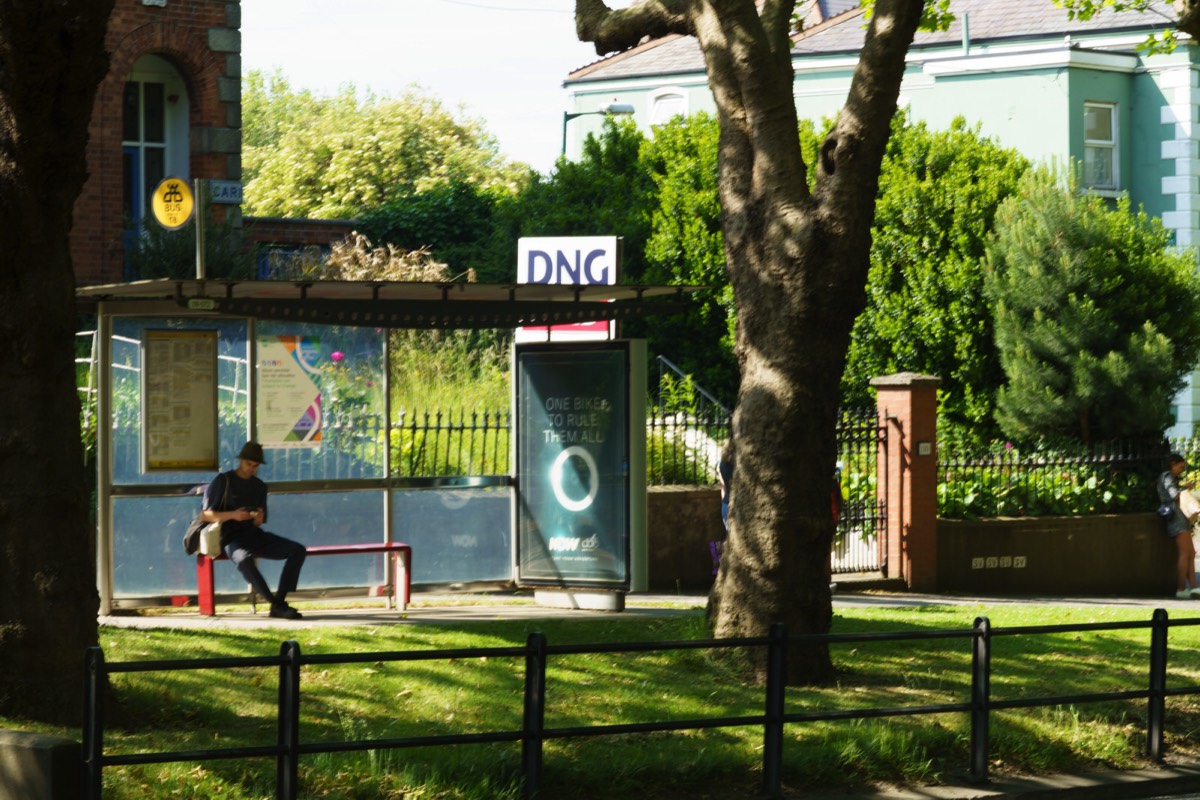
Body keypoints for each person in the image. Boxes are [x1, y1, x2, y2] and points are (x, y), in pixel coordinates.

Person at [201, 441, 307, 619]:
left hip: (253, 534)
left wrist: (257, 518)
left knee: (297, 550)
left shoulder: (259, 486)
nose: (251, 468)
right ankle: (276, 605)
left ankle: (279, 601)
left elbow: (259, 523)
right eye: (248, 464)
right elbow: (206, 515)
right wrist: (233, 514)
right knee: (244, 560)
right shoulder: (224, 481)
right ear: (240, 460)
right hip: (230, 537)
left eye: (255, 465)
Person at [1156, 453, 1200, 600]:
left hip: (1179, 518)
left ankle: (1193, 587)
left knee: (1190, 553)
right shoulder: (1167, 476)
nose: (1181, 470)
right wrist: (1185, 488)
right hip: (1177, 518)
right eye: (1180, 466)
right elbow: (1174, 495)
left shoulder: (1169, 477)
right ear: (1173, 463)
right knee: (1185, 553)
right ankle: (1181, 588)